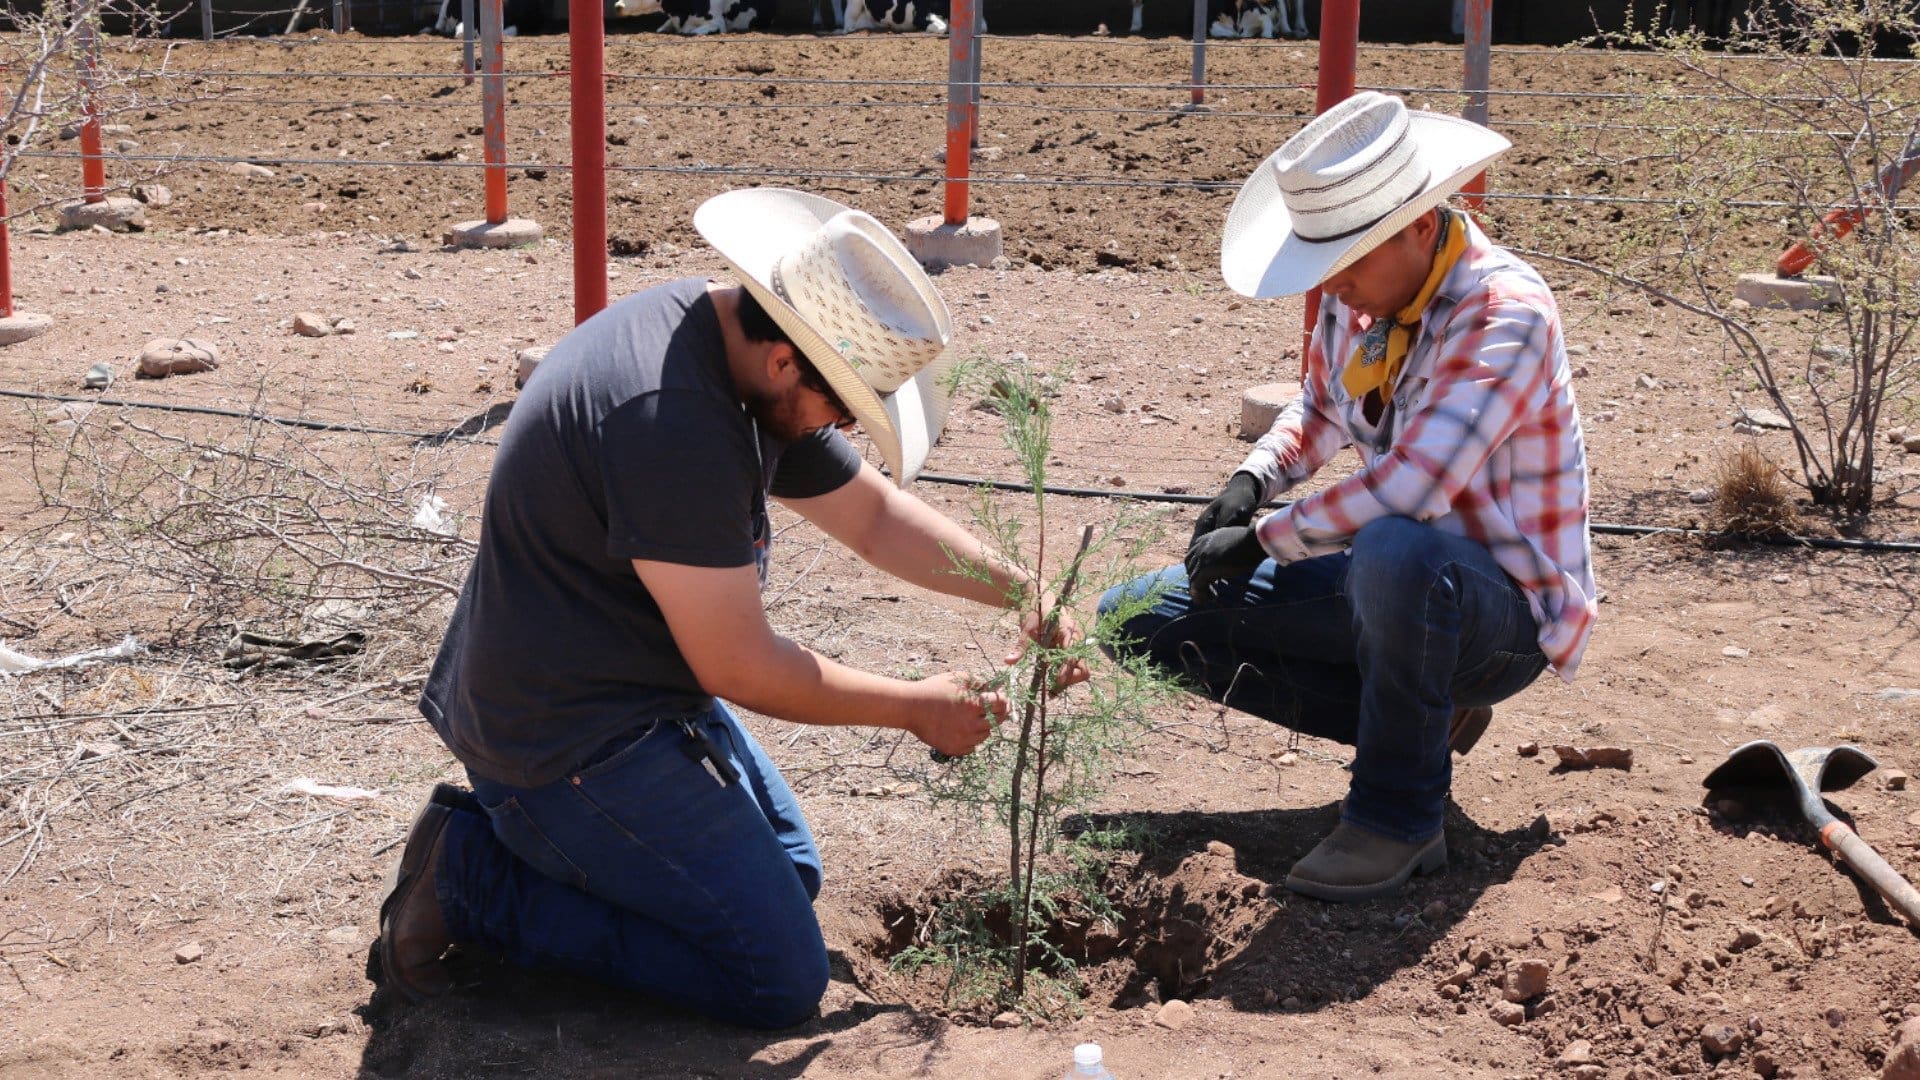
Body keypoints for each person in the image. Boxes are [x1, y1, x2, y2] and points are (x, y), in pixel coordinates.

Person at [374, 188, 1082, 1027]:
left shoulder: (721, 342)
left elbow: (872, 516)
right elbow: (739, 665)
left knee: (790, 879)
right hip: (561, 739)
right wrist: (916, 708)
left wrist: (1023, 590)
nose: (840, 428)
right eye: (841, 404)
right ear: (787, 358)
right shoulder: (671, 424)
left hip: (624, 696)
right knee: (773, 977)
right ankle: (472, 882)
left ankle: (571, 866)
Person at [1099, 92, 1596, 902]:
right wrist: (1253, 478)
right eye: (1329, 267)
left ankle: (1396, 816)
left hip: (1502, 611)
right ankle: (1423, 722)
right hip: (1396, 585)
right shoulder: (1361, 294)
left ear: (1422, 226)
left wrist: (1264, 539)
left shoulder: (1505, 313)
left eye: (1354, 263)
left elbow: (1415, 485)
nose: (1340, 291)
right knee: (1139, 622)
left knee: (1398, 544)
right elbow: (1324, 407)